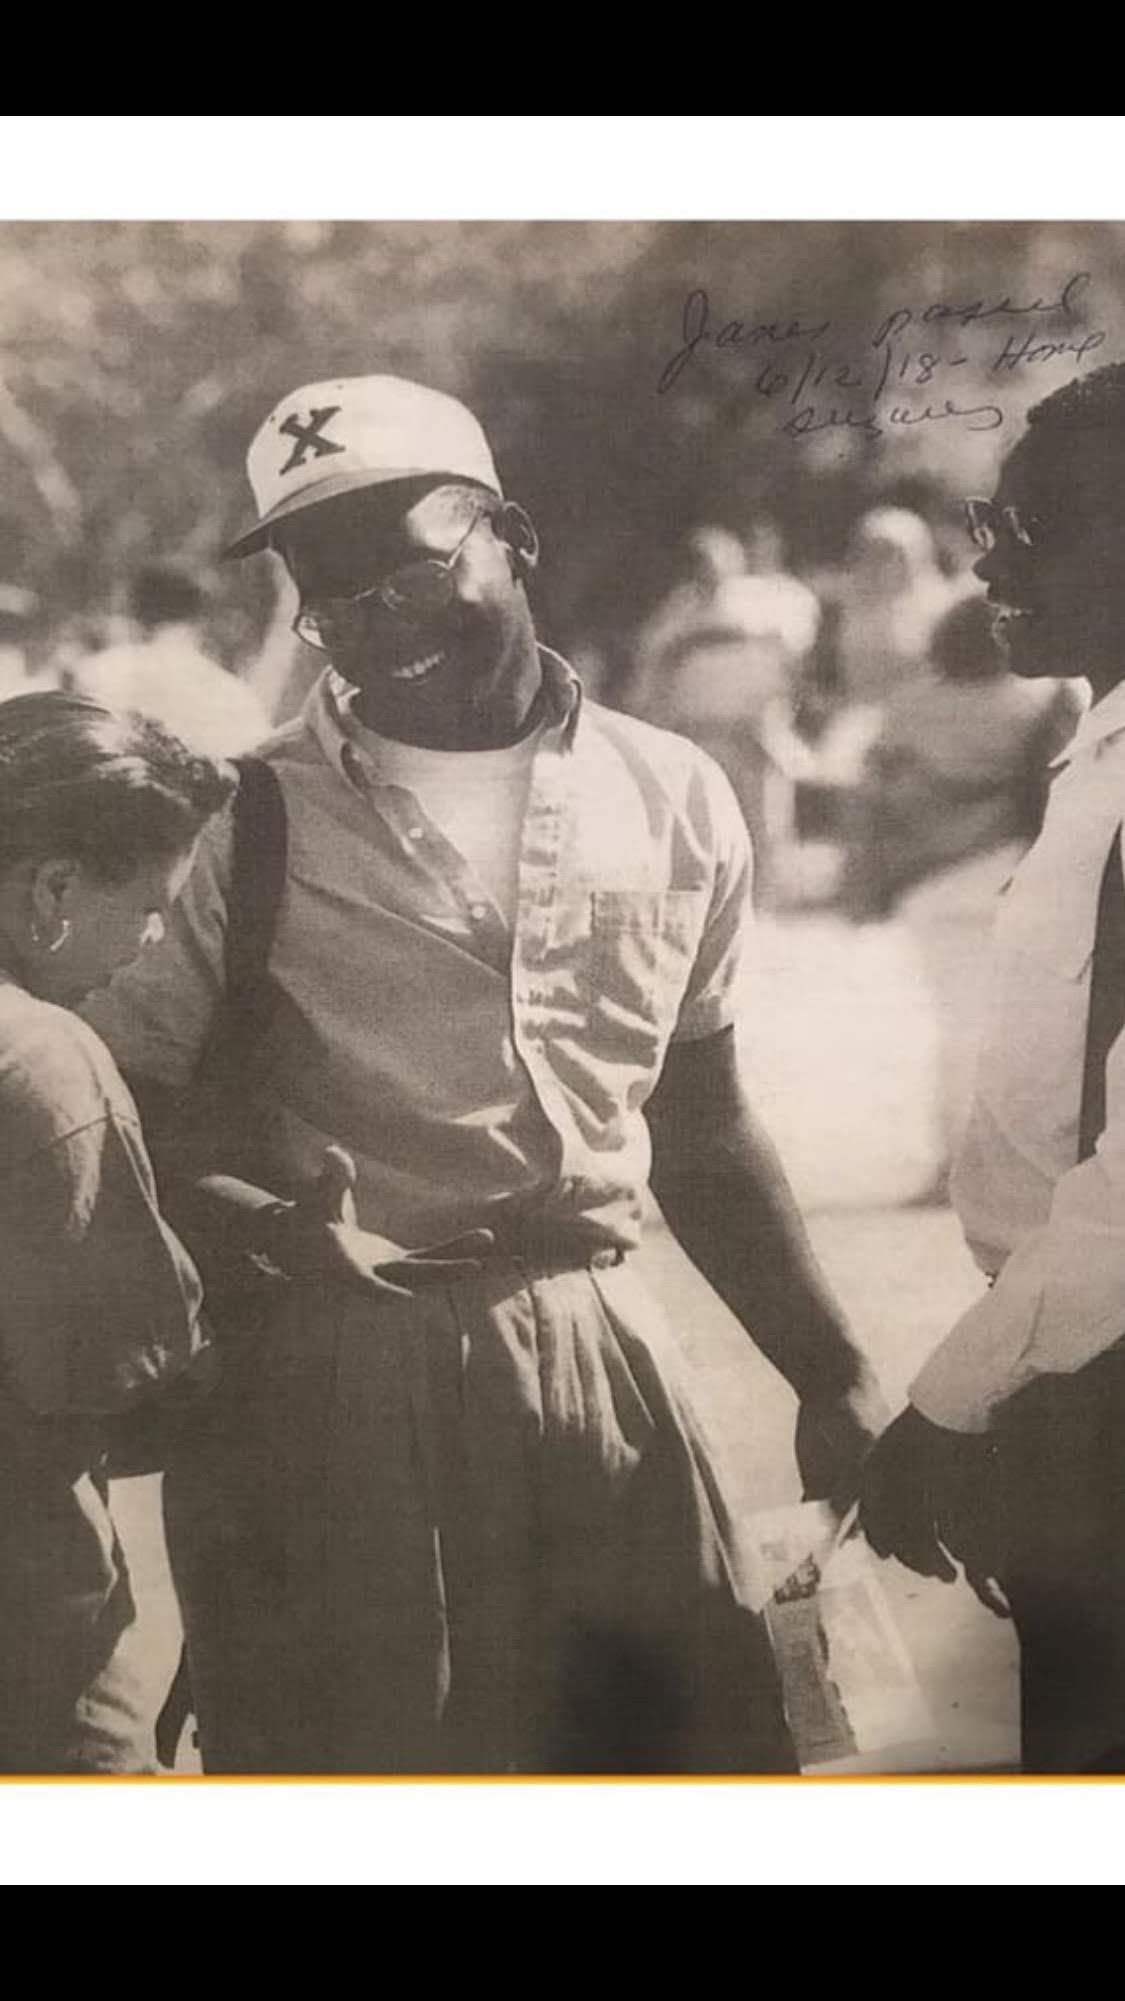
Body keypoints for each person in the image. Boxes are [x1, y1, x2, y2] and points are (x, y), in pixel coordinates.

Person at [86, 374, 885, 1776]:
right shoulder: (236, 821)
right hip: (328, 1373)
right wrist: (264, 1233)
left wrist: (830, 1373)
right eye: (328, 596)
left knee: (675, 1775)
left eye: (406, 571)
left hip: (606, 1348)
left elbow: (702, 1122)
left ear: (510, 535)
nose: (370, 623)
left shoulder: (675, 792)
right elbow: (117, 1118)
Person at [859, 361, 1125, 1773]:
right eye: (987, 523)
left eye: (1034, 528)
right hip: (1071, 1365)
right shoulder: (1097, 750)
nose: (987, 563)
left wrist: (954, 1405)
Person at [0, 690, 234, 1773]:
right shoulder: (43, 1059)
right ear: (53, 888)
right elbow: (119, 1390)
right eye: (148, 906)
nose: (149, 945)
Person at [849, 593, 1084, 1180]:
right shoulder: (1036, 701)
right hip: (1008, 870)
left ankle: (957, 1159)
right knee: (1022, 1022)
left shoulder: (908, 707)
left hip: (928, 883)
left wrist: (863, 884)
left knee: (958, 1024)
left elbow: (871, 801)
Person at [72, 564, 269, 758]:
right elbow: (259, 761)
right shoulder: (234, 693)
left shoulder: (96, 673)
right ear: (200, 618)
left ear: (135, 612)